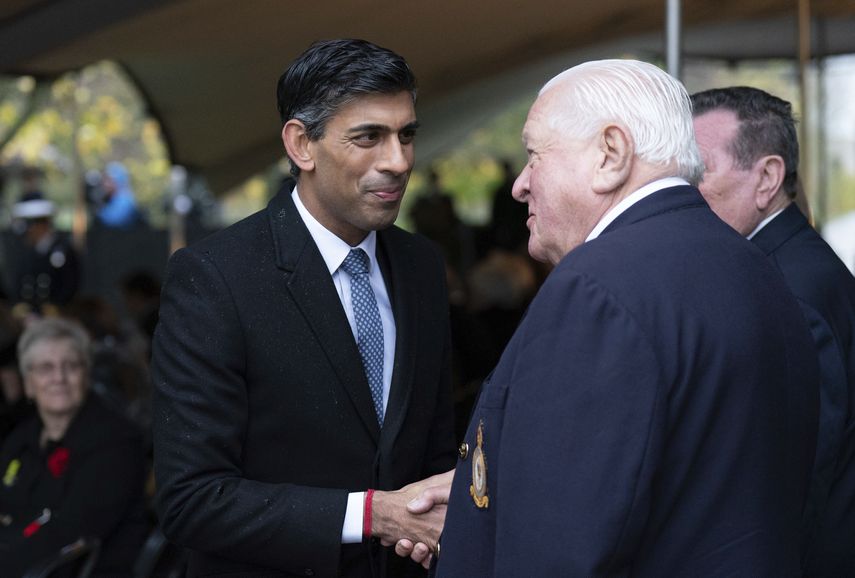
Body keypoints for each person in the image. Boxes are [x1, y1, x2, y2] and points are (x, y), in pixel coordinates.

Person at [405, 59, 820, 576]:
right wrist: (485, 503)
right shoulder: (752, 266)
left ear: (611, 154)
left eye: (535, 155)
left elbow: (559, 548)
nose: (520, 185)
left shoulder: (596, 288)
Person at [151, 38, 456, 577]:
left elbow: (430, 454)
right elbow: (192, 500)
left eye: (407, 135)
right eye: (369, 137)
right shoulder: (217, 277)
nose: (399, 160)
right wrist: (370, 515)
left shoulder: (422, 267)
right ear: (301, 145)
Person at [692, 86, 855, 576]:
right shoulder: (787, 263)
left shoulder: (787, 289)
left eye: (697, 170)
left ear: (766, 177)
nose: (680, 189)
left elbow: (798, 473)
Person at [0, 317, 146, 577]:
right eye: (45, 368)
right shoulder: (22, 438)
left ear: (86, 376)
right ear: (28, 384)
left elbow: (69, 536)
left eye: (71, 366)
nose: (59, 378)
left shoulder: (116, 441)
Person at [8, 191, 80, 316]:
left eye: (30, 226)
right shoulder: (28, 253)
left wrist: (56, 306)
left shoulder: (62, 250)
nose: (27, 233)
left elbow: (69, 285)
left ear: (41, 225)